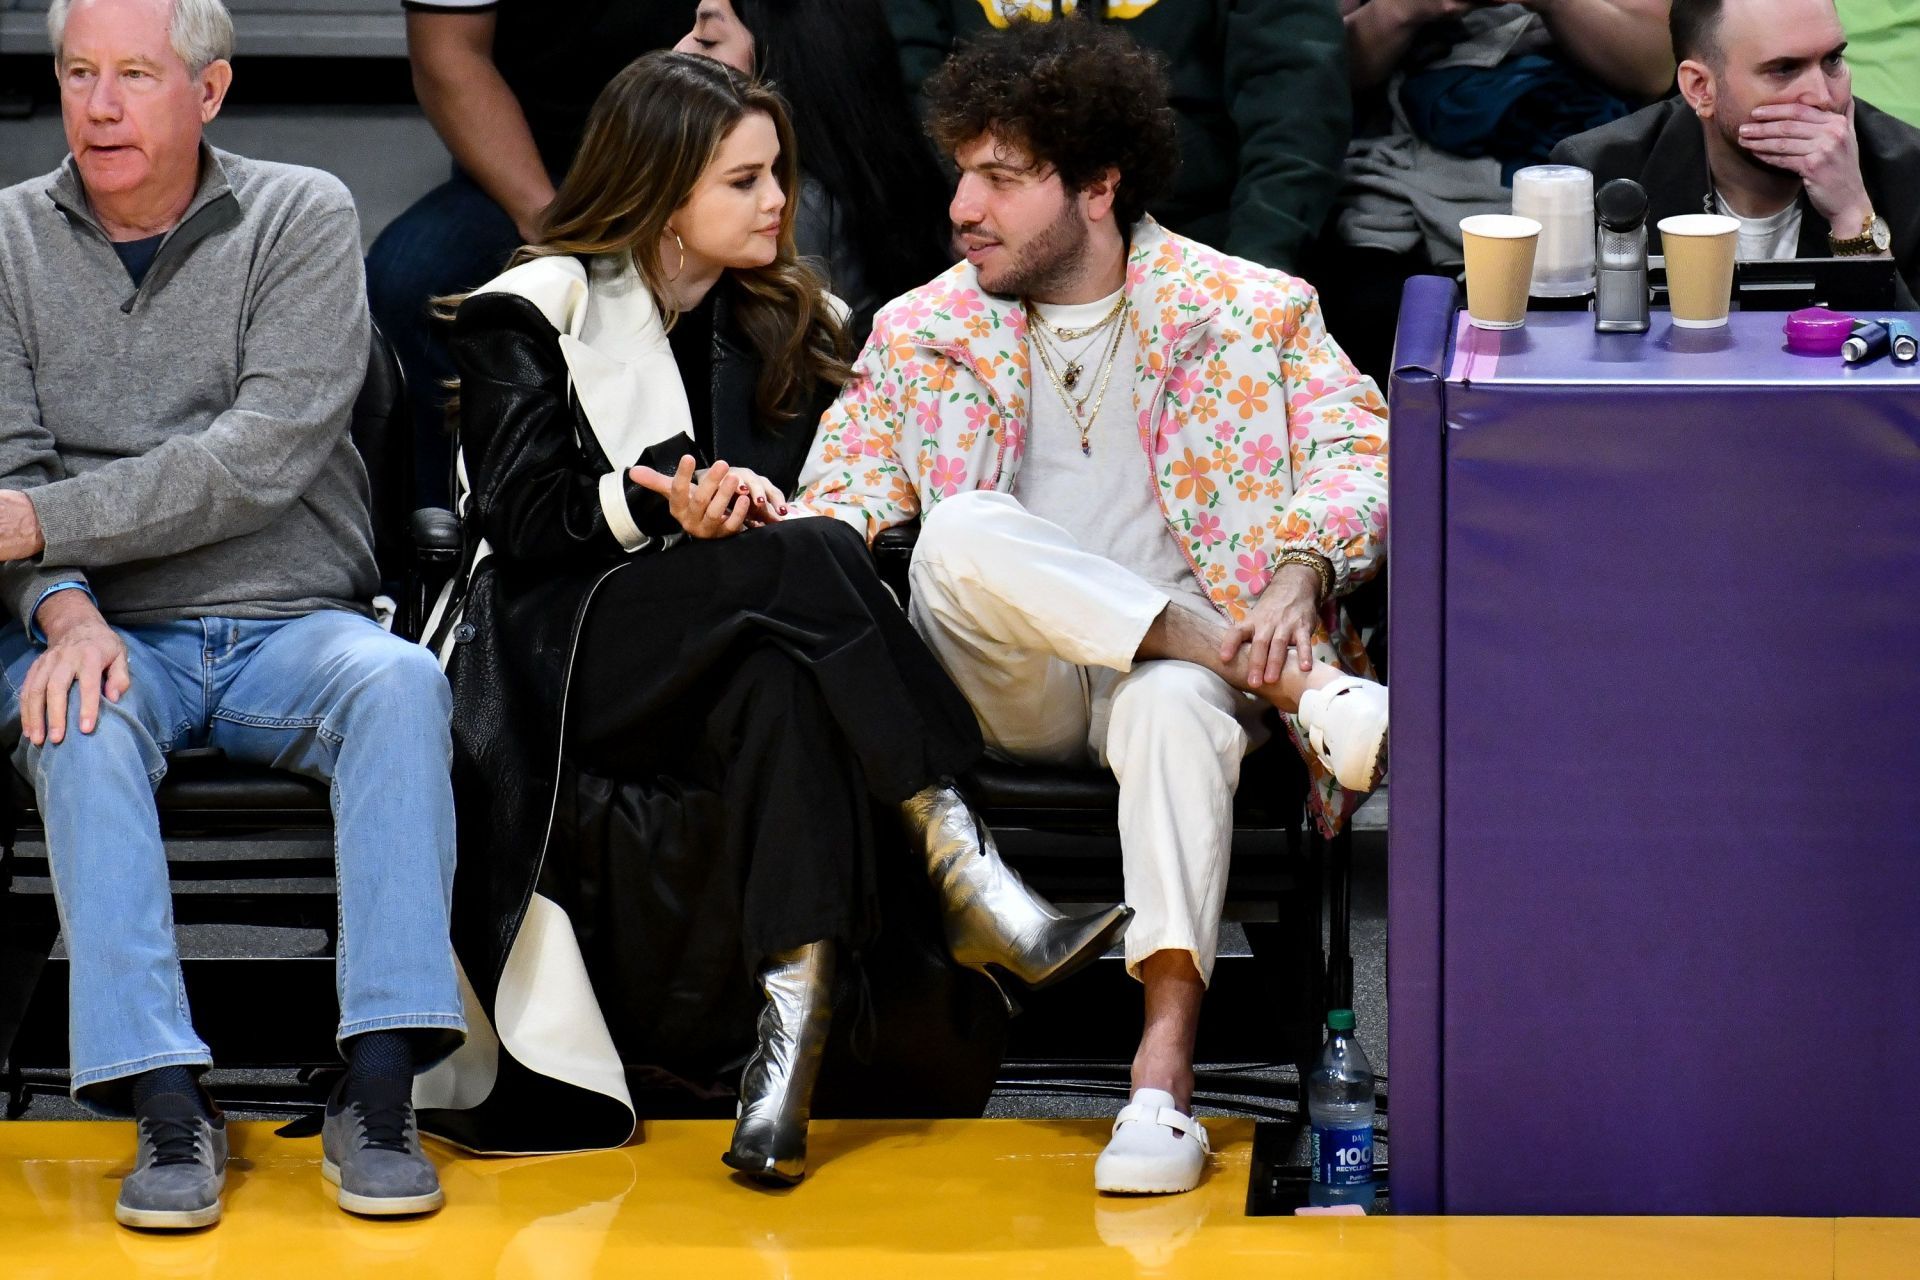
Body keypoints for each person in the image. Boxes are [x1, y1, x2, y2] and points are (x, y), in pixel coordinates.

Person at [424, 51, 1128, 1183]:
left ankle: (783, 1059)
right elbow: (518, 516)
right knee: (802, 558)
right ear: (663, 190)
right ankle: (964, 870)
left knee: (786, 683)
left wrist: (738, 519)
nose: (776, 203)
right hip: (568, 655)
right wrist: (654, 498)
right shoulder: (532, 306)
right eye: (743, 181)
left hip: (734, 644)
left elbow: (820, 522)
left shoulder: (796, 322)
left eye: (776, 176)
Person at [795, 19, 1391, 1196]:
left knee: (1175, 703)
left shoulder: (1250, 311)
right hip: (999, 690)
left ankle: (1159, 1085)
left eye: (1001, 180)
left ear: (1098, 185)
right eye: (961, 172)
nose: (964, 207)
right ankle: (1292, 682)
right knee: (958, 529)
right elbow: (838, 508)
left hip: (1172, 683)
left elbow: (1362, 456)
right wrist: (767, 517)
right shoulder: (921, 331)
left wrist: (1298, 571)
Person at [0, 0, 464, 1230]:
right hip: (105, 629)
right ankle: (163, 1097)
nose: (97, 104)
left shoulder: (301, 213)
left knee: (401, 683)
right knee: (76, 717)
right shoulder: (2, 240)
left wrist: (47, 529)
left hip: (290, 619)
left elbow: (259, 457)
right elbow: (3, 466)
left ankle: (376, 1088)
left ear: (207, 92)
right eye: (78, 73)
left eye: (134, 75)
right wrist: (59, 608)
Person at [365, 0, 695, 509]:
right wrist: (553, 224)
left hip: (698, 138)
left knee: (800, 247)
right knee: (409, 281)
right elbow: (448, 52)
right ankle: (429, 552)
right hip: (535, 162)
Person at [1322, 0, 1673, 383]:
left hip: (1578, 193)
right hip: (1395, 193)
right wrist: (1402, 10)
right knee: (1369, 314)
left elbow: (1655, 71)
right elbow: (1316, 78)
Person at [883, 0, 1352, 276]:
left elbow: (1295, 112)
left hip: (1202, 243)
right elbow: (913, 94)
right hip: (995, 251)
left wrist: (1249, 275)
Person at [1552, 0, 1920, 306]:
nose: (1824, 98)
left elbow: (1907, 371)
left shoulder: (1909, 171)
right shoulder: (1600, 172)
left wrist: (1852, 215)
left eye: (1833, 60)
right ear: (1700, 88)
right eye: (1784, 70)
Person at [675, 0, 954, 338]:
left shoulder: (800, 214)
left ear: (782, 58)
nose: (680, 50)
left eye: (708, 40)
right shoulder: (892, 176)